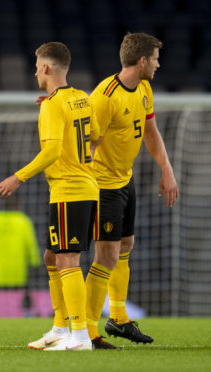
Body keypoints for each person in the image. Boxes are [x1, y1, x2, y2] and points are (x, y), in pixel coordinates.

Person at [0, 41, 99, 351]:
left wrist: (18, 177)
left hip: (69, 190)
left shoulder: (55, 104)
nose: (34, 70)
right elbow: (94, 136)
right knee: (52, 257)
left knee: (67, 260)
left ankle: (79, 336)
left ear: (46, 68)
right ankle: (59, 327)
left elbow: (51, 150)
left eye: (36, 64)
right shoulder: (80, 98)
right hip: (83, 187)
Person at [85, 32, 179, 348]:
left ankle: (119, 319)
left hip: (125, 180)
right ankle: (87, 330)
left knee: (126, 245)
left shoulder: (143, 88)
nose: (158, 63)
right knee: (107, 255)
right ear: (141, 61)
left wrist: (166, 169)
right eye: (154, 58)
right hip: (102, 186)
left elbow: (150, 131)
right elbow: (88, 146)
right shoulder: (105, 96)